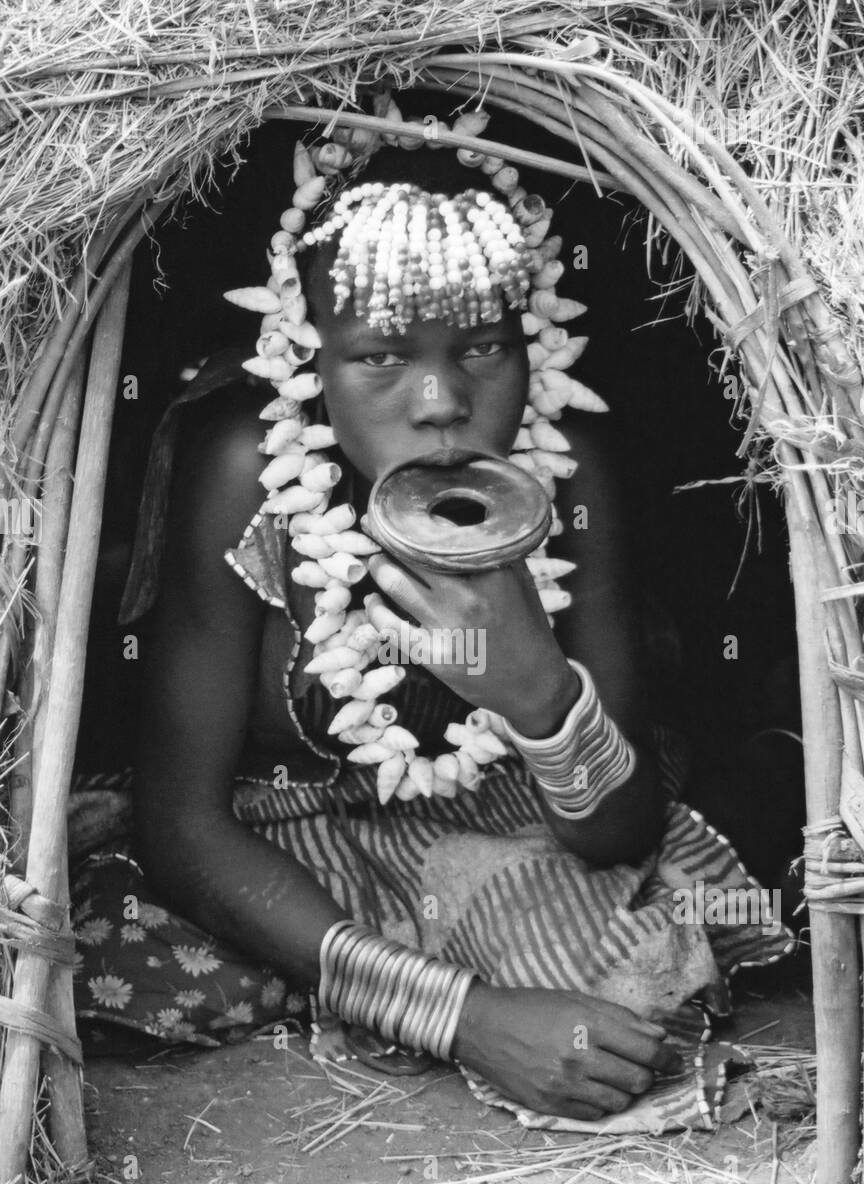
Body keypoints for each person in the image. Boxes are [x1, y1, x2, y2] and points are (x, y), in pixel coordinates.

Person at [69, 120, 790, 1129]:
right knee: (105, 951)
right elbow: (182, 823)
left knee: (636, 985)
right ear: (308, 354)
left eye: (484, 346)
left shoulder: (566, 469)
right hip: (293, 840)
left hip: (515, 832)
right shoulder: (247, 472)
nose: (442, 401)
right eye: (381, 355)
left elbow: (617, 827)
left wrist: (534, 690)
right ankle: (401, 992)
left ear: (534, 337)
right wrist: (461, 1014)